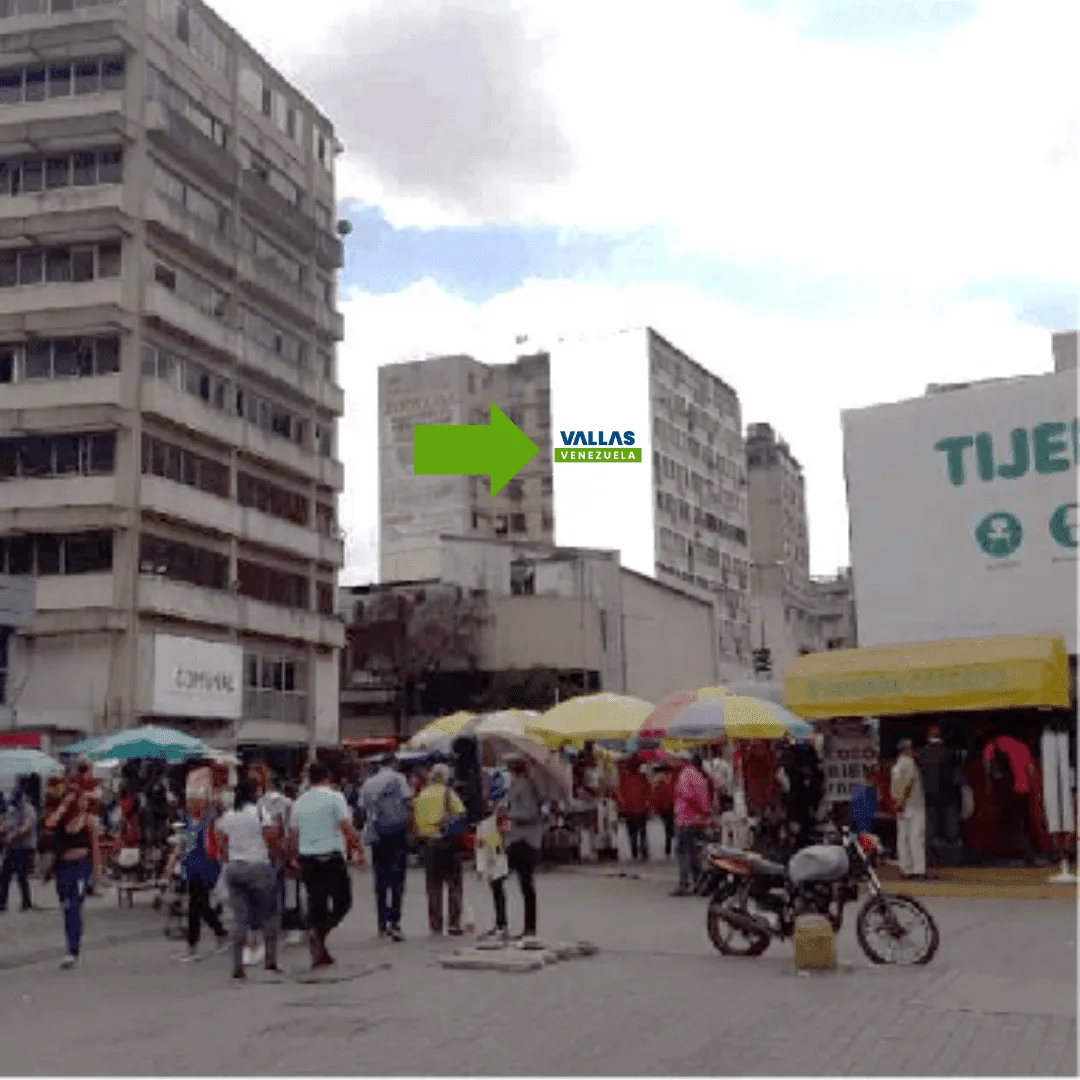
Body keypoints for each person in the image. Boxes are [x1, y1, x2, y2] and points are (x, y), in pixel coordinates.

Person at [289, 761, 362, 968]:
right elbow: (346, 827)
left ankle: (319, 943)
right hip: (331, 858)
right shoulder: (335, 797)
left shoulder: (299, 802)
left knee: (317, 904)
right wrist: (359, 851)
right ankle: (320, 934)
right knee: (343, 902)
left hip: (308, 860)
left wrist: (290, 858)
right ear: (327, 777)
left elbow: (293, 835)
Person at [215, 778, 283, 980]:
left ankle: (238, 966)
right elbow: (271, 839)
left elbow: (221, 845)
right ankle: (270, 960)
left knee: (240, 919)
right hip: (258, 867)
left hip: (234, 869)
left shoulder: (227, 816)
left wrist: (231, 859)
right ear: (254, 794)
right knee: (270, 914)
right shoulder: (260, 813)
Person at [44, 768, 103, 968]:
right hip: (63, 867)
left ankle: (72, 949)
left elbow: (95, 846)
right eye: (80, 799)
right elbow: (49, 823)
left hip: (81, 866)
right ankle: (74, 935)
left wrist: (98, 872)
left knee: (73, 907)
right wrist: (65, 804)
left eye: (84, 799)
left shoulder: (88, 820)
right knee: (66, 906)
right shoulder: (61, 816)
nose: (84, 802)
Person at [359, 754, 413, 942]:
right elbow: (408, 802)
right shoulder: (399, 779)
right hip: (396, 833)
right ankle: (394, 922)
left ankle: (381, 923)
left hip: (376, 834)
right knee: (397, 878)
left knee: (380, 879)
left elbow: (362, 809)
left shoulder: (368, 783)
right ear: (394, 764)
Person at [170, 787, 228, 962]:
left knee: (198, 906)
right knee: (198, 906)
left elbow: (219, 844)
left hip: (207, 868)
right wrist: (172, 861)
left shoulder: (210, 821)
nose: (188, 805)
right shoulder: (188, 821)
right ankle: (212, 936)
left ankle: (197, 944)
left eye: (192, 801)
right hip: (192, 868)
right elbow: (184, 844)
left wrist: (224, 859)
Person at [414, 763, 467, 936]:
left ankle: (435, 924)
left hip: (429, 844)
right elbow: (461, 813)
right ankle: (453, 923)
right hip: (447, 843)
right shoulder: (447, 793)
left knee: (433, 886)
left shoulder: (421, 795)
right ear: (445, 777)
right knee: (454, 884)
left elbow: (416, 822)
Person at [505, 755, 543, 939]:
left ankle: (528, 927)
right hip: (516, 839)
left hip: (525, 840)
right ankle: (519, 926)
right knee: (518, 882)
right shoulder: (517, 785)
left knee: (524, 884)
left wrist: (509, 814)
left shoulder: (526, 786)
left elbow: (530, 813)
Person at [672, 753, 711, 896]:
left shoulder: (686, 775)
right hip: (696, 820)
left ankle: (684, 883)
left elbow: (689, 796)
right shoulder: (698, 775)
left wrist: (701, 810)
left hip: (686, 819)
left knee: (683, 852)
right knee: (694, 853)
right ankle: (699, 882)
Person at [890, 739, 927, 879]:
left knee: (903, 838)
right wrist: (902, 801)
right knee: (916, 837)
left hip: (901, 807)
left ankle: (906, 868)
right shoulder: (909, 763)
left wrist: (898, 803)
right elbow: (909, 783)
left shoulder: (896, 766)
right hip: (913, 805)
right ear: (908, 750)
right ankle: (918, 869)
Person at [0, 781, 37, 912]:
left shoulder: (29, 809)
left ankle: (26, 902)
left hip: (24, 845)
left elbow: (27, 827)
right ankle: (2, 902)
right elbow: (6, 824)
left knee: (22, 874)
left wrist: (14, 835)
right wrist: (3, 830)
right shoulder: (12, 808)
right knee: (5, 874)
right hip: (12, 846)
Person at [615, 754, 652, 862]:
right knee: (642, 831)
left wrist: (621, 806)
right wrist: (649, 804)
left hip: (629, 809)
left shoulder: (624, 778)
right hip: (640, 809)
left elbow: (619, 793)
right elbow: (648, 792)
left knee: (632, 832)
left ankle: (635, 851)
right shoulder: (642, 777)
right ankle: (643, 851)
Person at [650, 763, 677, 859]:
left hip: (669, 806)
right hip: (667, 807)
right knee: (669, 827)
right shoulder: (662, 780)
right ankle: (670, 847)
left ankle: (669, 848)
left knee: (669, 827)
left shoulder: (663, 780)